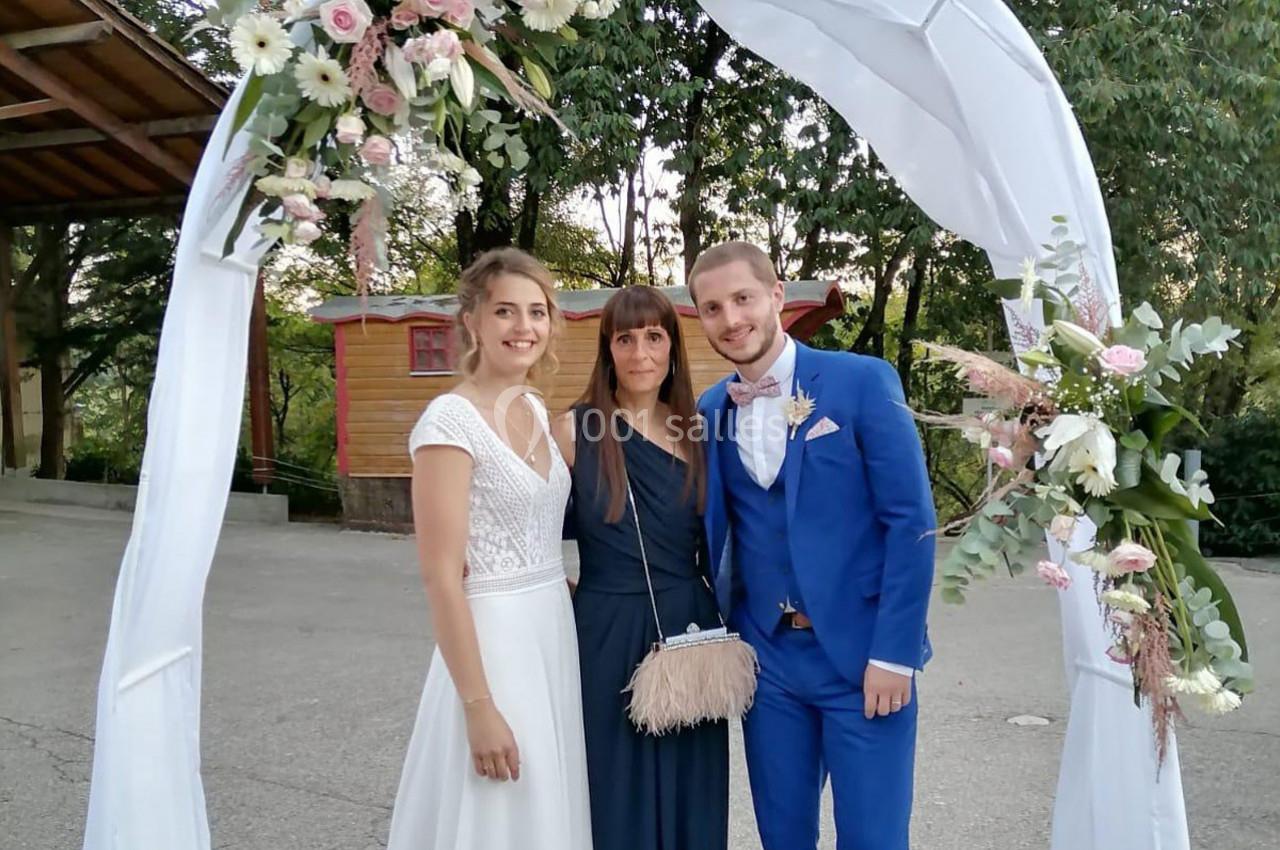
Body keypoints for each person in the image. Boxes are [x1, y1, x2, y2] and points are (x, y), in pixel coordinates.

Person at [690, 242, 936, 850]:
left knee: (873, 838)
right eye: (713, 308)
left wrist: (896, 653)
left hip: (862, 658)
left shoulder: (862, 382)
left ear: (776, 297)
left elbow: (911, 523)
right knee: (782, 835)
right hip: (767, 663)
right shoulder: (712, 408)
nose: (731, 319)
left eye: (743, 298)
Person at [386, 248, 591, 850]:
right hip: (493, 642)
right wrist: (478, 705)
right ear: (472, 320)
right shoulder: (449, 421)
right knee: (501, 801)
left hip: (550, 628)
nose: (523, 328)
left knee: (547, 803)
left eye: (537, 312)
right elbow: (442, 577)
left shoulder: (533, 408)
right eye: (505, 311)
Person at [551, 286, 729, 850]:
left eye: (654, 337)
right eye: (624, 339)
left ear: (673, 348)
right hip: (604, 630)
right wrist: (553, 591)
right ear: (607, 349)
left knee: (691, 787)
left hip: (690, 627)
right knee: (613, 785)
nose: (640, 353)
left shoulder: (699, 433)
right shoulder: (570, 432)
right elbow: (522, 530)